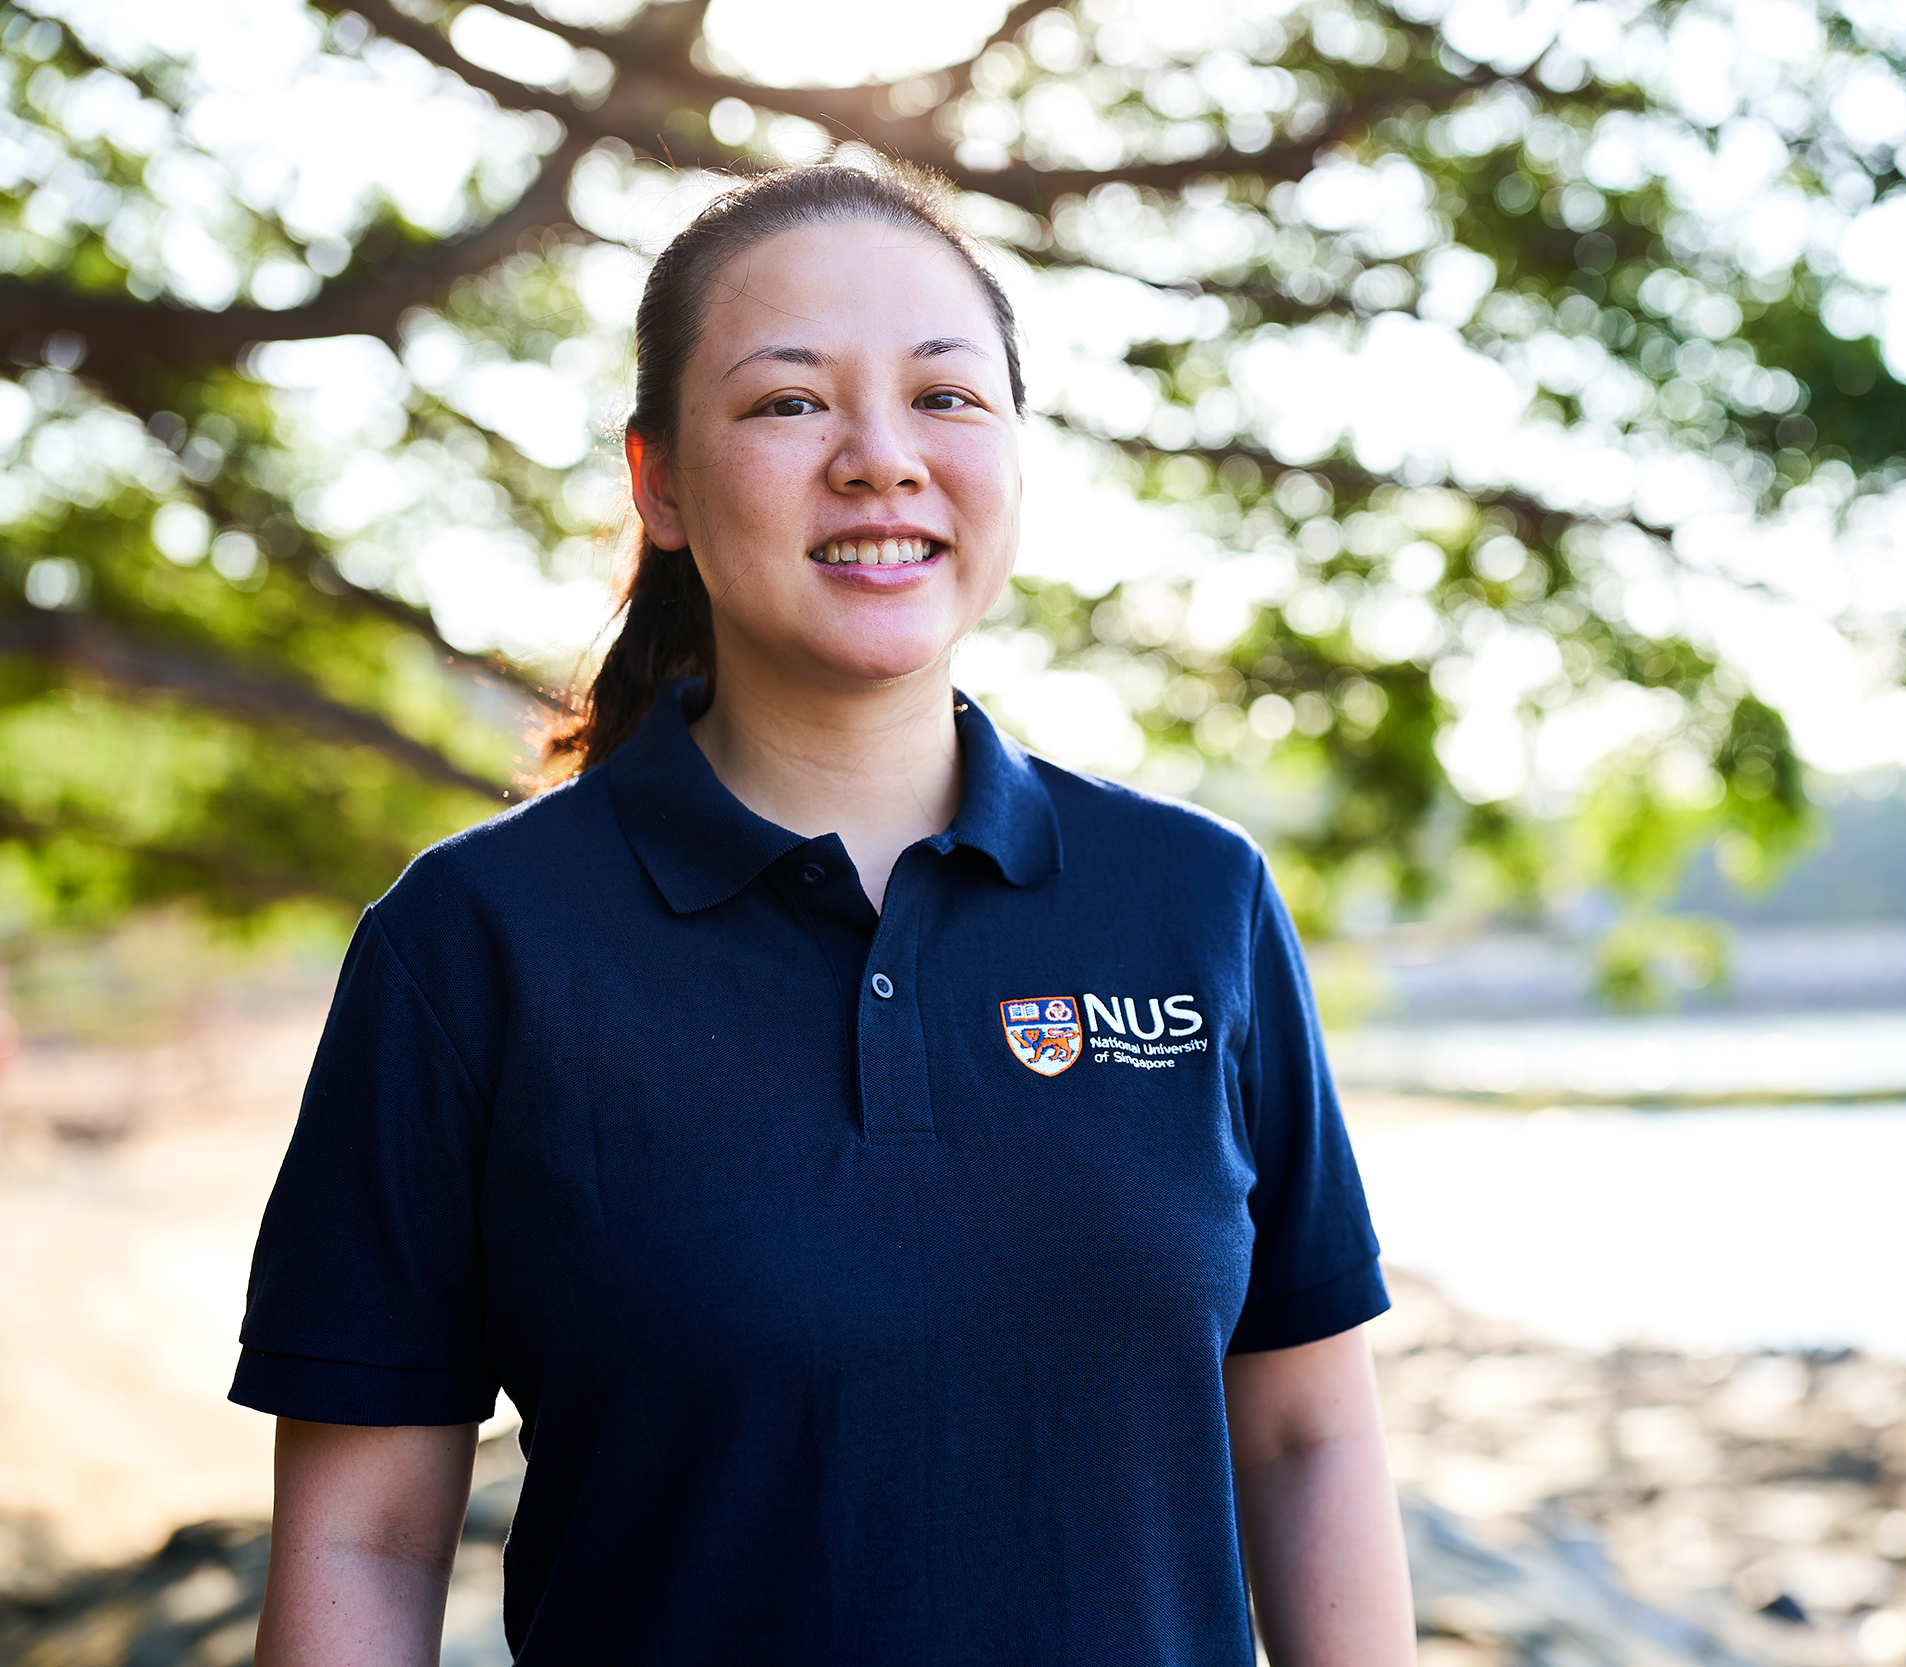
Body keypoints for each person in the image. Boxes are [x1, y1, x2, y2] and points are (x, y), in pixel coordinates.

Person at [232, 161, 1413, 1665]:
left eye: (945, 397)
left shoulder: (1198, 902)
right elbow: (365, 1534)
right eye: (790, 402)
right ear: (656, 482)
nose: (879, 459)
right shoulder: (471, 948)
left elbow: (1308, 1437)